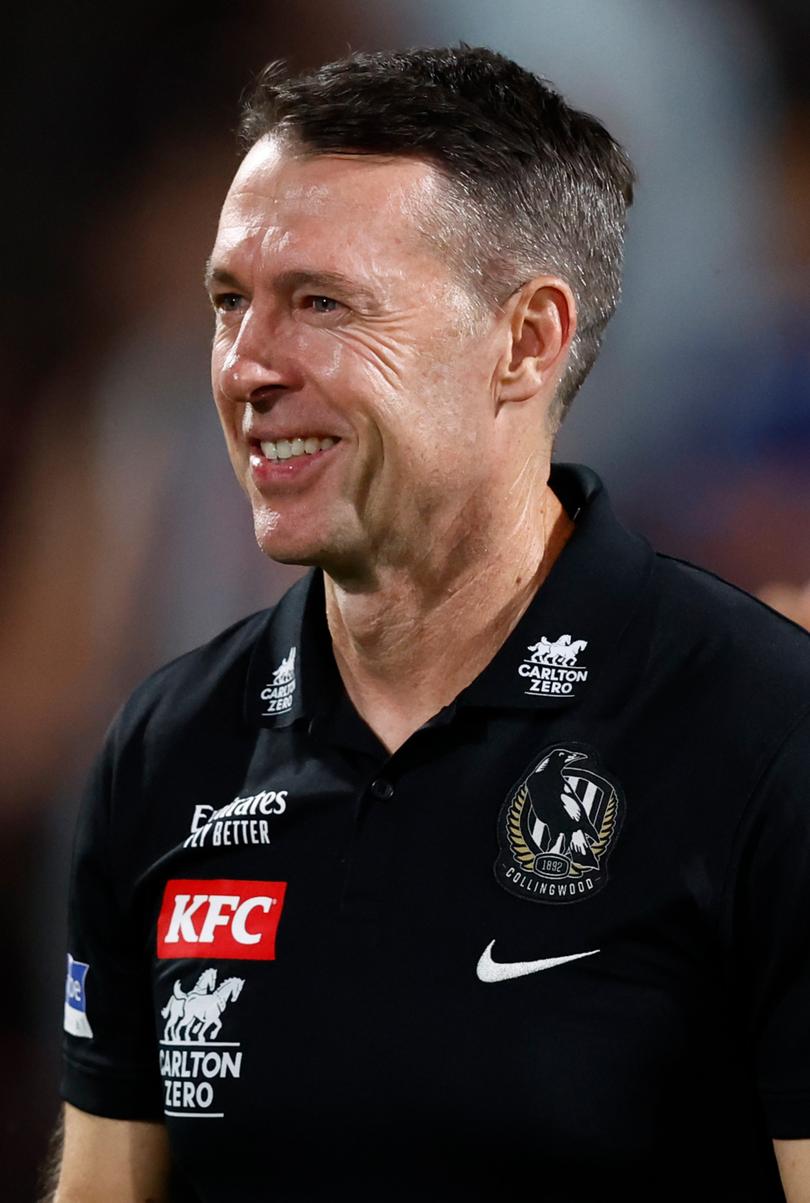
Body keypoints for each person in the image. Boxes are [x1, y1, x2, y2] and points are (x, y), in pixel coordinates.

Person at [52, 46, 810, 1203]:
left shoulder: (760, 733)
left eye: (320, 303)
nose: (244, 366)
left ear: (526, 342)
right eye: (227, 304)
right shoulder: (168, 749)